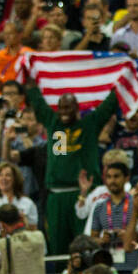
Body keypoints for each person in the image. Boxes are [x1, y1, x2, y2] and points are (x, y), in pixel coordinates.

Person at [24, 87, 120, 254]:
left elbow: (109, 105)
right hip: (56, 196)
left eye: (67, 107)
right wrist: (28, 77)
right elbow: (37, 102)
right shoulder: (53, 123)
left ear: (77, 108)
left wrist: (122, 79)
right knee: (57, 246)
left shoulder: (90, 124)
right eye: (60, 108)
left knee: (85, 245)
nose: (63, 112)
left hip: (82, 195)